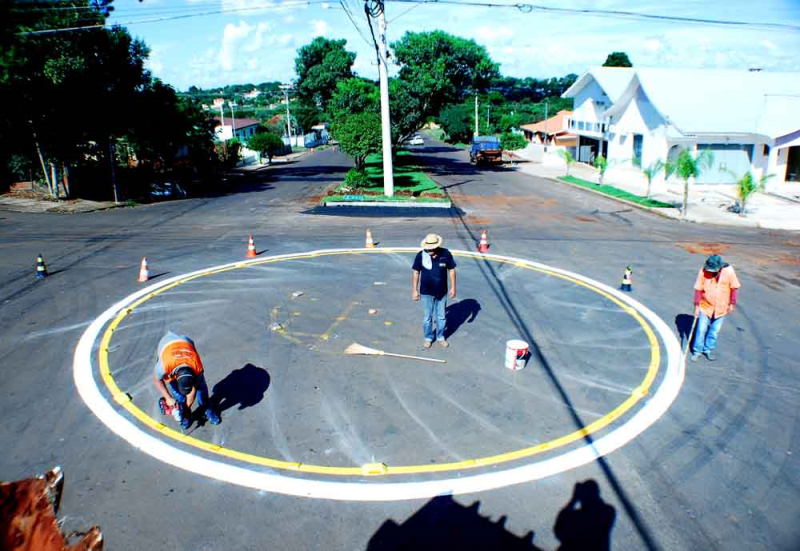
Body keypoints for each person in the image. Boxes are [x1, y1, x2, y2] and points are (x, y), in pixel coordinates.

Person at [152, 331, 221, 428]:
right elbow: (156, 379)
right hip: (166, 346)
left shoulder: (197, 367)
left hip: (186, 343)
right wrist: (168, 398)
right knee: (178, 395)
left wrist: (186, 408)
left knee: (201, 388)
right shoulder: (164, 366)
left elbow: (193, 391)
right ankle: (185, 414)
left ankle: (205, 408)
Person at [691, 254, 741, 361]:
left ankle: (708, 349)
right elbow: (698, 289)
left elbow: (734, 288)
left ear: (719, 268)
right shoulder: (703, 271)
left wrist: (732, 303)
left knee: (714, 331)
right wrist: (696, 306)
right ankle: (697, 350)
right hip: (706, 306)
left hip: (721, 308)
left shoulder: (729, 271)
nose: (710, 272)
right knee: (701, 330)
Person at [412, 234, 457, 348]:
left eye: (431, 247)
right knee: (427, 317)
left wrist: (453, 287)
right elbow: (416, 273)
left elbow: (451, 270)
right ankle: (428, 337)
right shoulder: (421, 255)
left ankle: (440, 337)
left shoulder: (445, 253)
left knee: (441, 317)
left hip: (442, 292)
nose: (429, 249)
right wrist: (415, 290)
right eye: (427, 247)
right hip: (426, 292)